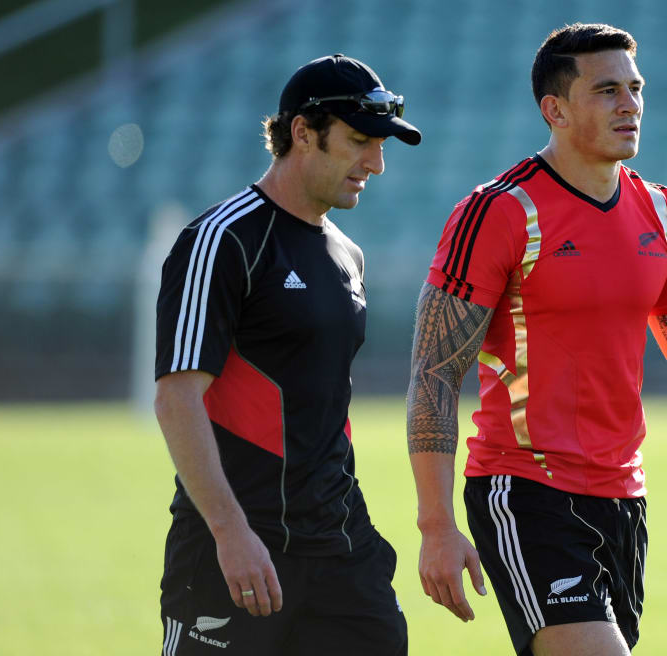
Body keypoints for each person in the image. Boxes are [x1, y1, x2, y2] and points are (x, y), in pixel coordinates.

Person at [406, 23, 667, 656]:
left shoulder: (661, 212)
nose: (629, 104)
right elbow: (435, 373)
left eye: (635, 87)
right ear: (557, 110)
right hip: (526, 490)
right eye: (607, 90)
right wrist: (436, 523)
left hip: (624, 497)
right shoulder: (499, 212)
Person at [154, 54, 420, 655]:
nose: (375, 164)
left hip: (341, 551)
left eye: (380, 147)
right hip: (238, 551)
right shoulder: (221, 240)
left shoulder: (348, 255)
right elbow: (176, 398)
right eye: (359, 142)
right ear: (302, 132)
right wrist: (230, 533)